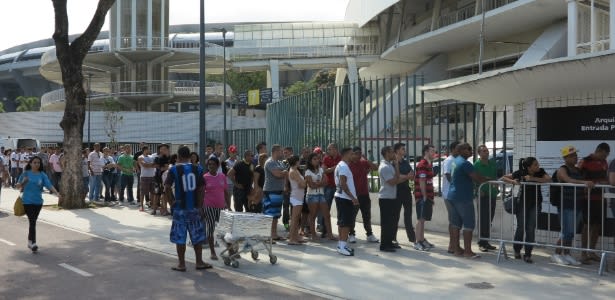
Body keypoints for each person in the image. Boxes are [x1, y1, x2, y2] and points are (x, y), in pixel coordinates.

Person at [164, 146, 211, 271]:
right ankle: (199, 262)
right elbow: (201, 189)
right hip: (194, 208)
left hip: (180, 209)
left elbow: (167, 187)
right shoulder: (198, 169)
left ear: (178, 157)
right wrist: (200, 206)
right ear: (190, 156)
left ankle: (181, 264)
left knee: (180, 236)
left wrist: (172, 202)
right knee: (197, 236)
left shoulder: (173, 169)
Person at [502, 156, 551, 263]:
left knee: (531, 228)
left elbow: (548, 179)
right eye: (535, 165)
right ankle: (517, 250)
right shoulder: (521, 172)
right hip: (522, 204)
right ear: (529, 167)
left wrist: (533, 179)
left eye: (537, 164)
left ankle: (528, 253)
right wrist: (513, 182)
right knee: (521, 227)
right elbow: (503, 178)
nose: (538, 166)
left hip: (536, 204)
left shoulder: (540, 172)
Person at [550, 145, 592, 266]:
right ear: (565, 157)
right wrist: (584, 183)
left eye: (575, 155)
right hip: (566, 205)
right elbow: (567, 179)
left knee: (571, 232)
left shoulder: (578, 170)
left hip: (578, 205)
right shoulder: (562, 169)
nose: (575, 157)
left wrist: (584, 188)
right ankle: (557, 254)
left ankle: (567, 254)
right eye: (572, 155)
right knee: (565, 231)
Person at [447, 143, 487, 258]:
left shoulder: (455, 161)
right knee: (469, 224)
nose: (471, 151)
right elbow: (477, 178)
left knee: (455, 224)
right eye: (469, 149)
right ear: (462, 150)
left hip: (452, 196)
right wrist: (487, 180)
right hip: (463, 197)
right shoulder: (465, 163)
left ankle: (456, 249)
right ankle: (468, 251)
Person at [16, 156, 60, 252]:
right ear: (30, 163)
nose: (37, 164)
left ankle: (29, 241)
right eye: (35, 162)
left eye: (38, 163)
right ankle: (33, 243)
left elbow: (49, 185)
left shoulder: (42, 175)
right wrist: (23, 182)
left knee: (33, 222)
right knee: (32, 221)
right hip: (27, 201)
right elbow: (17, 186)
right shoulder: (26, 173)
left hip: (38, 202)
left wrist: (57, 193)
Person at [577, 142, 610, 264]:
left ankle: (591, 251)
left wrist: (606, 182)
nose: (605, 158)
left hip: (601, 198)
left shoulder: (604, 163)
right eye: (604, 155)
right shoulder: (585, 161)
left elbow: (606, 178)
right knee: (586, 226)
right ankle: (583, 254)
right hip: (587, 199)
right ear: (599, 151)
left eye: (607, 156)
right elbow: (578, 178)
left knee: (597, 226)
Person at [349, 146, 379, 243]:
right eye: (356, 153)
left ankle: (369, 234)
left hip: (364, 194)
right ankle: (352, 234)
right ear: (352, 154)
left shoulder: (363, 162)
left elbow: (375, 168)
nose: (358, 155)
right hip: (354, 195)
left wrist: (366, 159)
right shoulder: (348, 165)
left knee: (367, 215)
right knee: (352, 216)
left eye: (359, 153)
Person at [473, 145, 499, 252]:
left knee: (490, 219)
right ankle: (481, 242)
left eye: (487, 151)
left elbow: (495, 177)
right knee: (483, 219)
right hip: (483, 195)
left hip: (492, 194)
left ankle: (486, 241)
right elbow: (474, 179)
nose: (486, 152)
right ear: (479, 153)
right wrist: (479, 190)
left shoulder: (492, 164)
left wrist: (496, 189)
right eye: (484, 151)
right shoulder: (476, 165)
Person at [334, 147, 359, 256]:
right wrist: (353, 197)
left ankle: (341, 244)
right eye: (352, 153)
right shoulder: (344, 166)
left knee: (342, 222)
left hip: (341, 197)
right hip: (345, 198)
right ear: (347, 154)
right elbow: (343, 184)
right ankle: (342, 246)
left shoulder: (340, 165)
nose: (354, 155)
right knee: (346, 223)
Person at [203, 157, 228, 260]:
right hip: (209, 207)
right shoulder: (205, 177)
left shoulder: (222, 176)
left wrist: (229, 205)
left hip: (221, 208)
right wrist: (201, 208)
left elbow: (226, 192)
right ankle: (212, 252)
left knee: (225, 230)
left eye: (213, 164)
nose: (211, 166)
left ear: (218, 166)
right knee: (210, 229)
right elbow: (200, 193)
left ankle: (230, 249)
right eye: (209, 164)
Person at [305, 152, 334, 241]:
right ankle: (313, 235)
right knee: (313, 216)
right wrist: (320, 183)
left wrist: (318, 183)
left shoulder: (321, 170)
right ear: (310, 161)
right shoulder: (308, 171)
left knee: (327, 215)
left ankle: (330, 235)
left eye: (317, 159)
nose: (317, 160)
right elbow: (311, 185)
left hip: (321, 195)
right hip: (312, 196)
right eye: (314, 159)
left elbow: (326, 181)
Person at [413, 144, 436, 251]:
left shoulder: (428, 164)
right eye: (432, 151)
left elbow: (427, 180)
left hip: (427, 196)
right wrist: (425, 196)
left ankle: (422, 240)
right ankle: (417, 242)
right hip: (422, 196)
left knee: (423, 219)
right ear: (426, 152)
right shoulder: (422, 164)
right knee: (420, 219)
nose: (434, 153)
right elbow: (422, 181)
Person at [263, 145, 288, 240]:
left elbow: (284, 174)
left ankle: (274, 234)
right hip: (270, 191)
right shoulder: (270, 162)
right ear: (275, 151)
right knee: (270, 214)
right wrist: (284, 173)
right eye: (281, 151)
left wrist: (283, 173)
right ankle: (267, 235)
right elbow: (277, 174)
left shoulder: (280, 163)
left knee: (276, 214)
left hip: (278, 191)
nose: (282, 153)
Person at [378, 146, 401, 252]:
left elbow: (397, 177)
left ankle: (389, 242)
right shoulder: (384, 167)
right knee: (386, 223)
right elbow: (392, 182)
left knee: (391, 222)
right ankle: (384, 245)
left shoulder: (389, 165)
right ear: (387, 153)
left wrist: (396, 166)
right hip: (385, 198)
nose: (394, 154)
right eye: (392, 152)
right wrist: (398, 177)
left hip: (391, 197)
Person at [393, 142, 415, 246]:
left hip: (406, 191)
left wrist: (404, 176)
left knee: (408, 216)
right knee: (395, 216)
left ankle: (412, 239)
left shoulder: (405, 162)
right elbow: (395, 177)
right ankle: (393, 238)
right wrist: (406, 177)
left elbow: (412, 174)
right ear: (397, 151)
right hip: (396, 192)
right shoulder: (393, 163)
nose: (404, 150)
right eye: (402, 149)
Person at [319, 143, 341, 238]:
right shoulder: (326, 158)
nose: (328, 151)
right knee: (325, 208)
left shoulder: (341, 158)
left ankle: (342, 230)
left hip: (339, 187)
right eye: (328, 149)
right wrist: (335, 168)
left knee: (340, 209)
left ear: (335, 149)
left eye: (330, 149)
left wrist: (331, 169)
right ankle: (324, 230)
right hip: (328, 186)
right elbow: (324, 170)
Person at [442, 141, 460, 254]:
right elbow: (448, 176)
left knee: (456, 220)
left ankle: (455, 244)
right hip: (450, 195)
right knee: (453, 220)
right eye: (458, 148)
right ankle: (452, 245)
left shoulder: (458, 160)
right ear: (453, 149)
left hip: (456, 194)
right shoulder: (449, 161)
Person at [287, 155, 307, 245]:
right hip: (296, 197)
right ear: (296, 162)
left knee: (297, 218)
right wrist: (306, 181)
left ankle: (296, 236)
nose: (299, 162)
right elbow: (302, 185)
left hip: (299, 196)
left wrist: (304, 182)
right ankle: (292, 238)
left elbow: (302, 184)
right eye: (298, 161)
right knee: (295, 219)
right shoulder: (293, 172)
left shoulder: (296, 170)